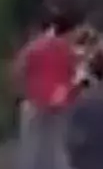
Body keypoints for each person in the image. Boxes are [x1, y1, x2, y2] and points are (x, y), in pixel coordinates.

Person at [12, 12, 82, 169]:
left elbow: (18, 70)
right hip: (59, 106)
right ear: (69, 31)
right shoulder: (69, 51)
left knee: (30, 146)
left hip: (33, 102)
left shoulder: (34, 46)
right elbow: (74, 77)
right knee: (56, 146)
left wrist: (22, 93)